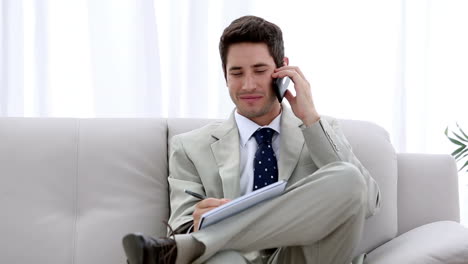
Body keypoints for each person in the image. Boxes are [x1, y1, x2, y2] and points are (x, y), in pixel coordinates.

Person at [122, 15, 381, 264]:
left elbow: (365, 201)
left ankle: (199, 242)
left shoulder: (318, 131)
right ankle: (199, 242)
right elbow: (181, 226)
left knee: (350, 178)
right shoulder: (189, 147)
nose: (248, 85)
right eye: (236, 73)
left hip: (306, 257)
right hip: (232, 260)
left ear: (282, 70)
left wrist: (311, 119)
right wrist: (195, 224)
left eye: (259, 70)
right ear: (225, 75)